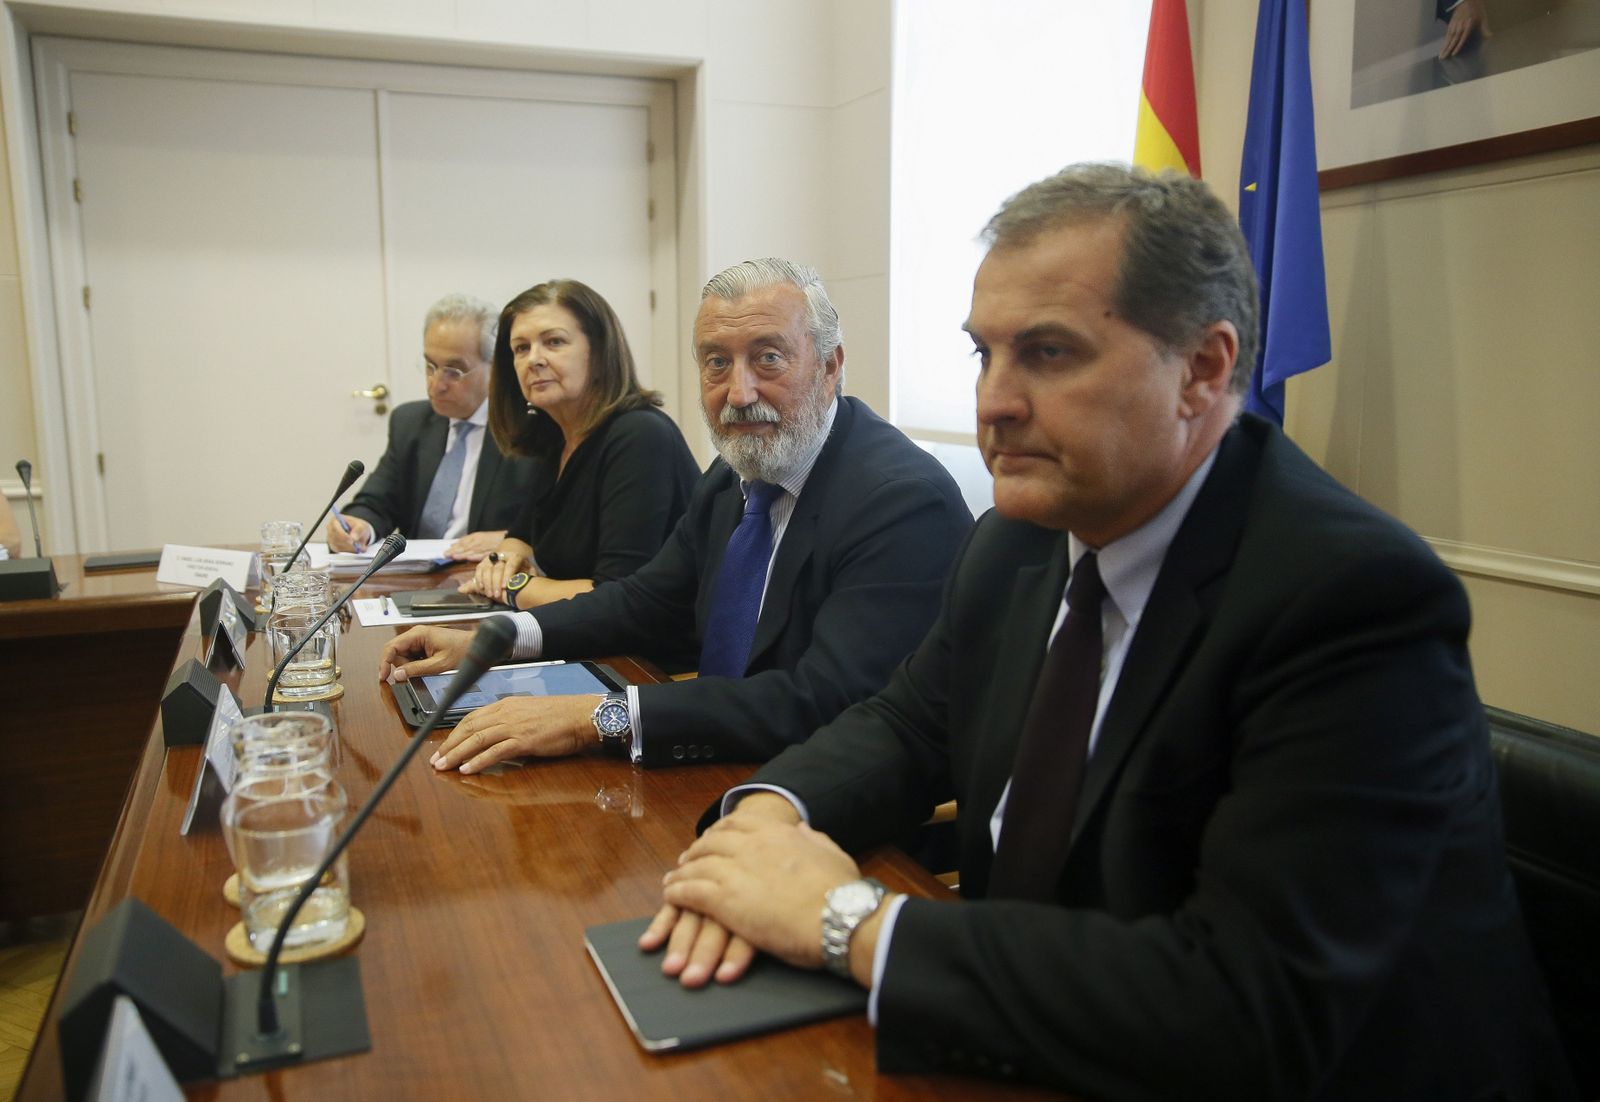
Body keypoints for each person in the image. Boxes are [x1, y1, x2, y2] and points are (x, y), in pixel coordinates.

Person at [643, 165, 1575, 1099]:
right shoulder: (1018, 540)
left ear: (1204, 370)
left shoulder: (1352, 599)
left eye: (1048, 354)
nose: (994, 403)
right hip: (1048, 1035)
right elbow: (905, 725)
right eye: (984, 355)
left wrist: (845, 921)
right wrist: (769, 817)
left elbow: (1243, 1003)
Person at [379, 258, 973, 771]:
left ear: (830, 365)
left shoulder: (899, 500)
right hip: (718, 754)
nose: (738, 393)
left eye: (768, 359)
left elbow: (820, 699)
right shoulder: (735, 476)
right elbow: (643, 599)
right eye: (716, 363)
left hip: (819, 799)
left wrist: (600, 716)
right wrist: (497, 638)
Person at [456, 279, 699, 609]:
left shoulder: (640, 437)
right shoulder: (556, 434)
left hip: (650, 656)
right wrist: (505, 559)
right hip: (582, 637)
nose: (534, 360)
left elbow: (617, 594)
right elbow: (521, 534)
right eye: (521, 348)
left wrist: (513, 586)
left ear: (598, 354)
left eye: (554, 342)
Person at [327, 293, 539, 560]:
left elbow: (553, 525)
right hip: (413, 579)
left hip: (484, 575)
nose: (435, 384)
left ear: (495, 367)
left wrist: (511, 539)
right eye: (430, 366)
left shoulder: (530, 430)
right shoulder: (410, 422)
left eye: (454, 371)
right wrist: (358, 526)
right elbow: (376, 502)